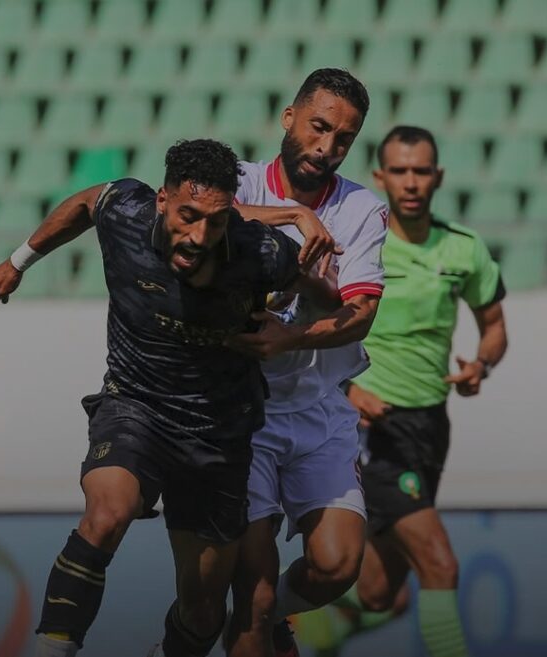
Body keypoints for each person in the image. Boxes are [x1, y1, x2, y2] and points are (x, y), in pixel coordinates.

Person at [0, 139, 342, 657]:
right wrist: (18, 262)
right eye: (189, 216)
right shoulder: (126, 211)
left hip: (218, 434)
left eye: (215, 221)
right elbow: (85, 203)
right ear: (163, 200)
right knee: (107, 514)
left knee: (204, 612)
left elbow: (323, 293)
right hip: (135, 406)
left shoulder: (260, 251)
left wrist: (296, 322)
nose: (199, 235)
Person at [294, 126, 509, 657]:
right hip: (368, 427)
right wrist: (348, 391)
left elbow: (494, 326)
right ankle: (267, 606)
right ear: (381, 177)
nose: (411, 182)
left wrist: (481, 364)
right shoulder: (361, 242)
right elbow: (313, 325)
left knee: (380, 592)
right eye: (400, 171)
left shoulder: (463, 248)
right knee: (439, 564)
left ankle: (298, 611)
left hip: (429, 425)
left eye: (420, 171)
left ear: (437, 177)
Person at [221, 68, 390, 657]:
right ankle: (249, 619)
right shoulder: (238, 180)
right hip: (241, 414)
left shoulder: (362, 210)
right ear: (288, 117)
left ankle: (252, 622)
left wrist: (290, 338)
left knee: (337, 564)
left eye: (343, 138)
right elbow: (191, 213)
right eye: (318, 127)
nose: (326, 146)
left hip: (318, 409)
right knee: (255, 587)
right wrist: (293, 218)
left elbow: (361, 314)